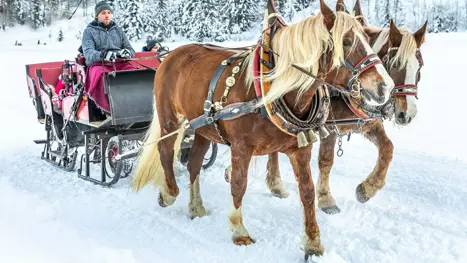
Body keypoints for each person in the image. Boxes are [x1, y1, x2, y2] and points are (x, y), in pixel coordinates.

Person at [81, 1, 137, 114]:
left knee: (134, 73)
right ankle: (108, 108)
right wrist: (103, 55)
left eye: (109, 12)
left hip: (119, 63)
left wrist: (126, 53)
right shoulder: (89, 31)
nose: (107, 15)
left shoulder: (118, 30)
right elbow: (88, 52)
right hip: (99, 64)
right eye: (103, 13)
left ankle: (136, 104)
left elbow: (130, 49)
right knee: (102, 76)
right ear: (97, 15)